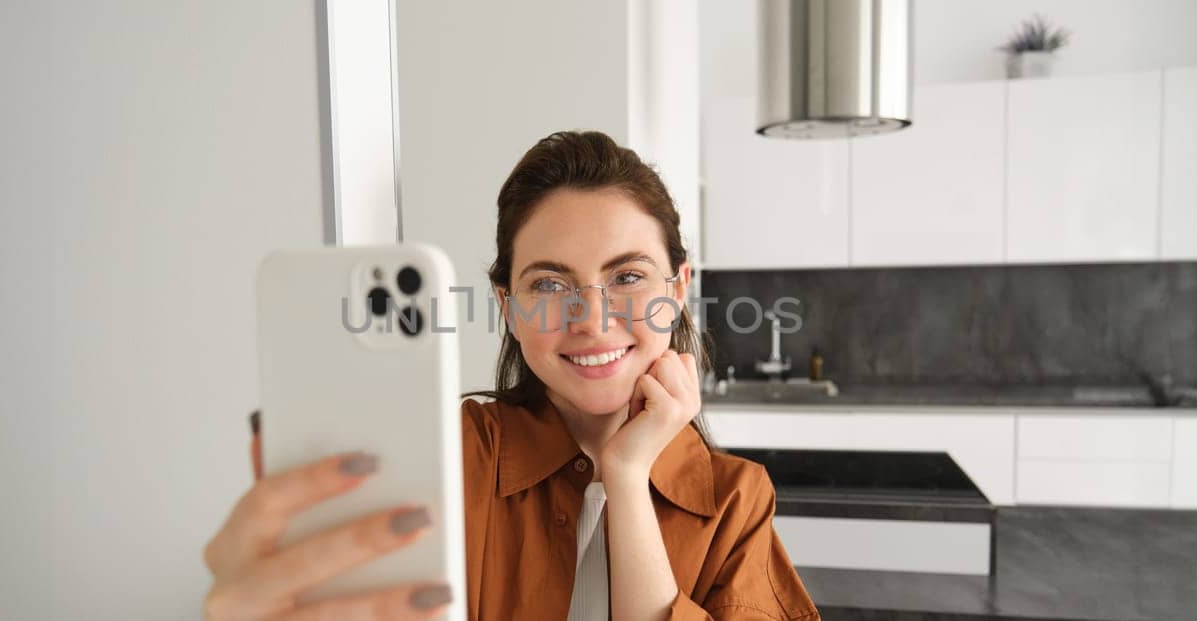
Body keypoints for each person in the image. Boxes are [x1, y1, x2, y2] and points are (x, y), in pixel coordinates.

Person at [203, 131, 820, 620]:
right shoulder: (445, 459)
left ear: (678, 291)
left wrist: (627, 479)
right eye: (549, 285)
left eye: (627, 277)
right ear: (507, 307)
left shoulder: (738, 500)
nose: (592, 319)